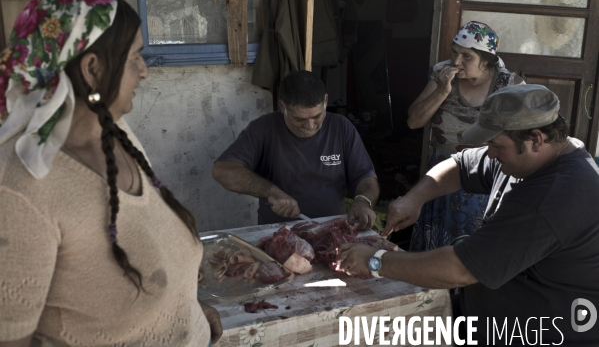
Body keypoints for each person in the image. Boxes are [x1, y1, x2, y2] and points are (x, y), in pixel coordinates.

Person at [0, 0, 221, 347]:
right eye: (135, 56)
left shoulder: (117, 134)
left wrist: (187, 309)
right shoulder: (20, 189)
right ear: (92, 69)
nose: (144, 71)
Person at [336, 84, 599, 344]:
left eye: (497, 146)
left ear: (537, 139)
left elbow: (462, 269)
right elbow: (461, 164)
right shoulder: (541, 154)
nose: (491, 154)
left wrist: (377, 261)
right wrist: (413, 199)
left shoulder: (555, 196)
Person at [407, 20, 524, 251]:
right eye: (454, 52)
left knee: (473, 250)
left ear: (487, 61)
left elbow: (521, 138)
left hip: (483, 178)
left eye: (467, 57)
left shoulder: (509, 84)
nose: (456, 61)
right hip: (441, 175)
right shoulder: (441, 74)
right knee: (433, 250)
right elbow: (413, 121)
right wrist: (442, 90)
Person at [212, 70, 379, 230]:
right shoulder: (264, 128)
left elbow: (366, 177)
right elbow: (223, 170)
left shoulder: (341, 127)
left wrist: (363, 201)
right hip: (279, 233)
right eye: (299, 119)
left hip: (333, 229)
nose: (310, 126)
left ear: (326, 101)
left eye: (317, 116)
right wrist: (271, 192)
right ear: (282, 106)